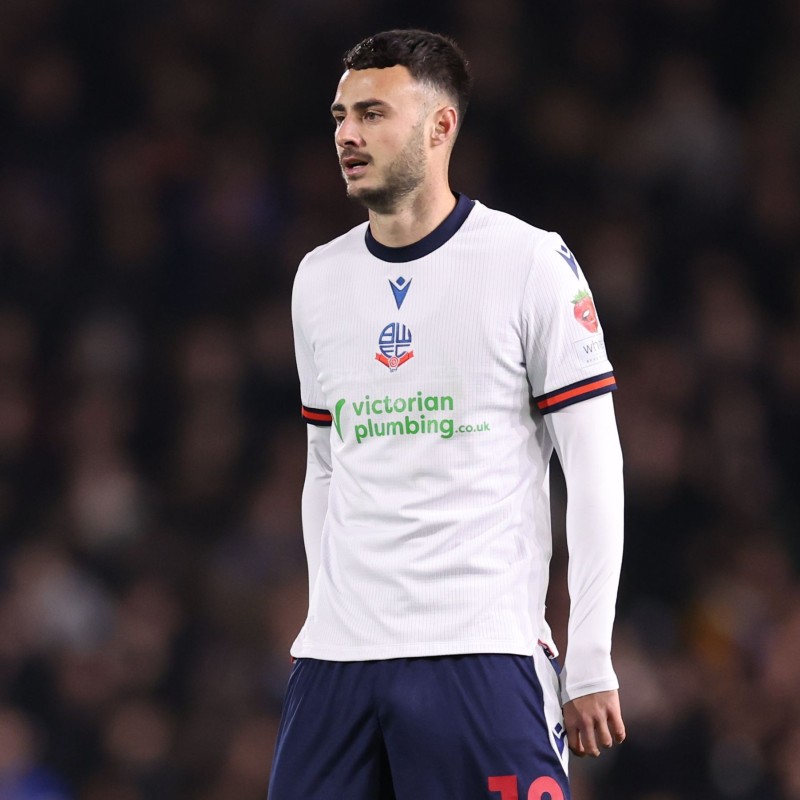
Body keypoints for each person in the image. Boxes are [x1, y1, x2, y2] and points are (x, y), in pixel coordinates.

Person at [270, 29, 625, 800]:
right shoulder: (317, 279)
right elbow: (325, 466)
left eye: (371, 113)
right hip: (338, 666)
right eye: (338, 116)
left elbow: (595, 467)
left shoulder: (529, 261)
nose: (347, 135)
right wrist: (322, 614)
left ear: (440, 127)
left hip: (480, 652)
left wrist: (590, 654)